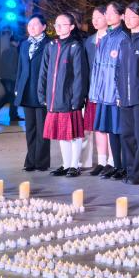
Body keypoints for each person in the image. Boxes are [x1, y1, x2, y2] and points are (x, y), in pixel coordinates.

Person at [39, 12, 88, 177]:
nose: (58, 27)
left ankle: (75, 165)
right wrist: (42, 94)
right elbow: (43, 72)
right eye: (56, 24)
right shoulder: (51, 46)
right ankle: (66, 164)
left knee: (74, 133)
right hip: (54, 98)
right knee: (62, 133)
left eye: (63, 24)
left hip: (70, 99)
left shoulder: (75, 47)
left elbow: (80, 76)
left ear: (72, 27)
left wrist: (77, 99)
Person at [115, 1, 139, 184]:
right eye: (127, 16)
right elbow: (119, 69)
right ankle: (130, 170)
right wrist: (119, 94)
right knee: (127, 135)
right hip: (125, 98)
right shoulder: (124, 42)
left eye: (133, 16)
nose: (129, 20)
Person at [89, 2, 126, 179]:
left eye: (112, 13)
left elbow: (123, 70)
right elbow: (96, 68)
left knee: (119, 129)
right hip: (104, 94)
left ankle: (121, 164)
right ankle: (112, 164)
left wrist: (119, 94)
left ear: (121, 16)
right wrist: (95, 93)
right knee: (109, 129)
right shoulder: (104, 39)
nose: (108, 16)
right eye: (107, 13)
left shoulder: (124, 37)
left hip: (115, 94)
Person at [15, 14, 52, 171]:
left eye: (35, 24)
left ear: (44, 27)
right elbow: (20, 68)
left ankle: (41, 162)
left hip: (42, 91)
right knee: (30, 128)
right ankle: (30, 161)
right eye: (29, 25)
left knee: (42, 128)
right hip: (26, 91)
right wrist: (18, 87)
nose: (31, 27)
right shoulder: (24, 44)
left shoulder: (50, 44)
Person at [84, 6, 111, 175]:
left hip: (110, 91)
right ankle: (101, 161)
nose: (95, 21)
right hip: (94, 90)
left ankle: (112, 161)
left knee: (110, 126)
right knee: (98, 126)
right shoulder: (89, 41)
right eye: (93, 18)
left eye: (99, 17)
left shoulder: (115, 38)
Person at [0, 37, 22, 121]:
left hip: (3, 77)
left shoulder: (5, 51)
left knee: (8, 96)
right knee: (13, 96)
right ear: (17, 42)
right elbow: (14, 66)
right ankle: (12, 115)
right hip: (11, 78)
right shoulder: (15, 52)